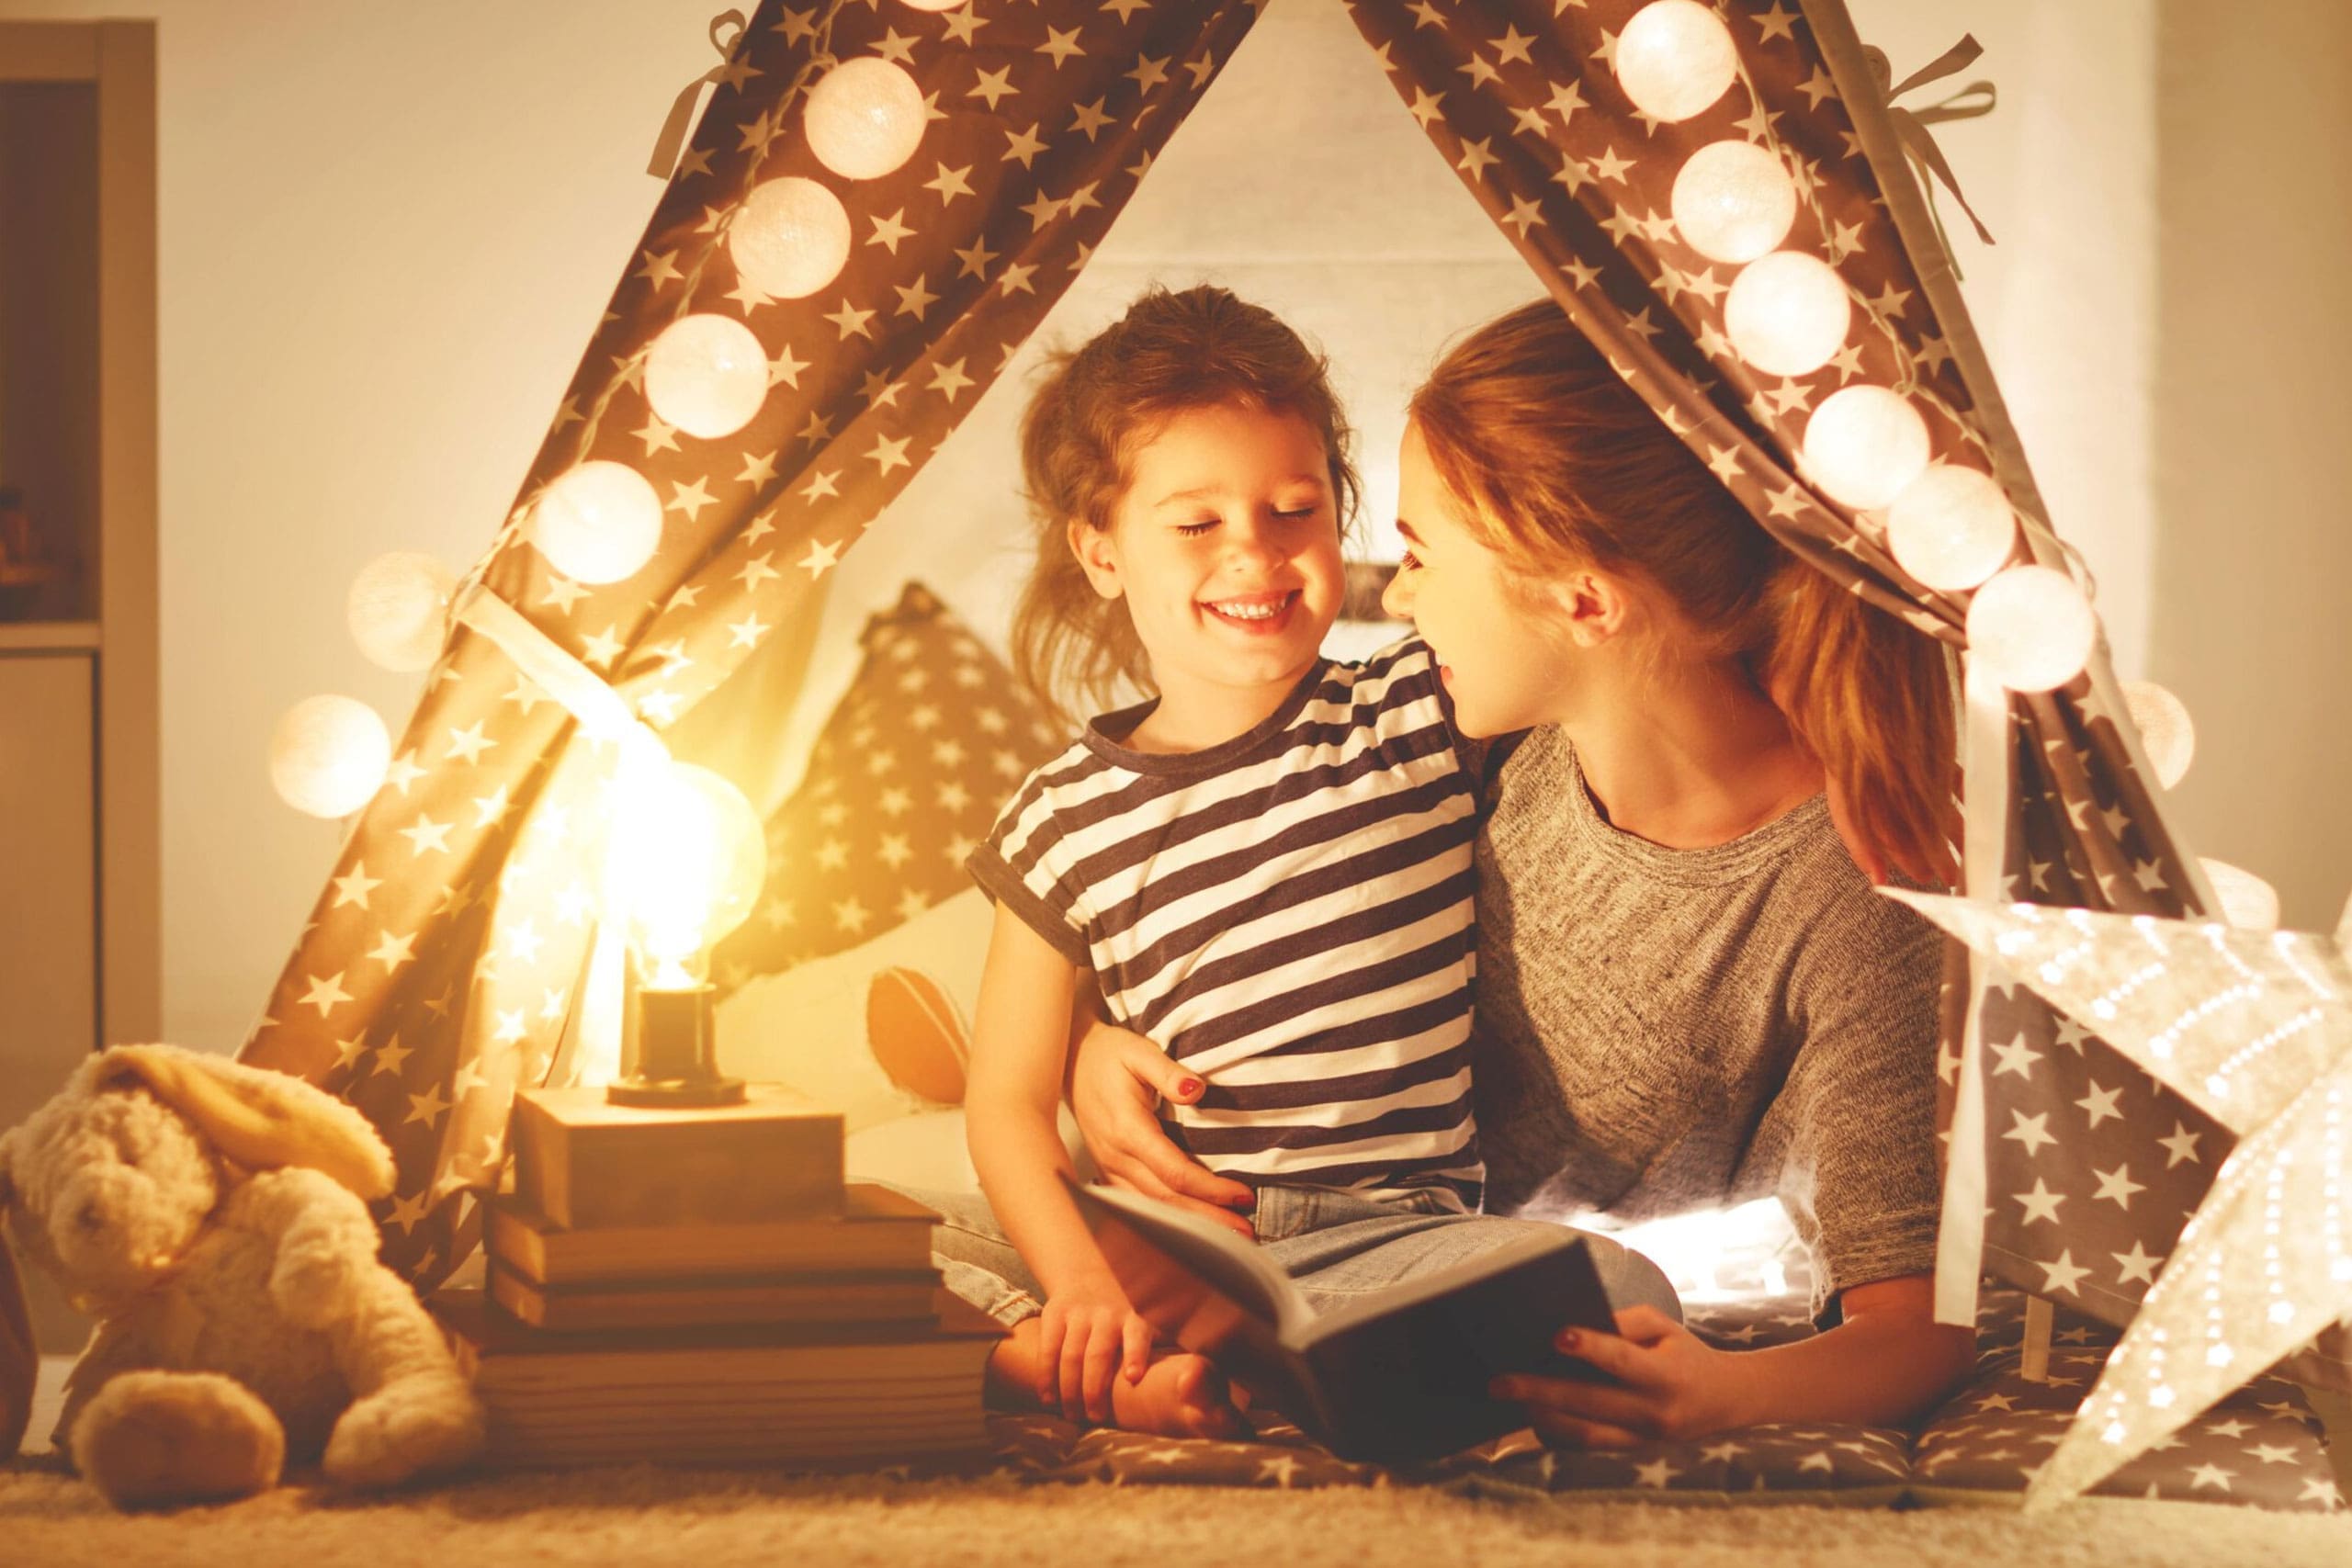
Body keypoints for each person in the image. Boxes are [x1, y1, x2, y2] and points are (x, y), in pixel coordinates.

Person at [1067, 297, 1978, 1449]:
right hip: (1300, 1201)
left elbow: (1922, 1328)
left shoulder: (1854, 894)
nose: (1391, 602)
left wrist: (1723, 1397)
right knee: (930, 1236)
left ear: (1583, 604)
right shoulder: (1487, 734)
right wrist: (1088, 1042)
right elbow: (1253, 880)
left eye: (1419, 557)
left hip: (1481, 1271)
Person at [933, 286, 1679, 1440]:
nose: (1257, 555)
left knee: (1617, 1292)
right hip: (1182, 1240)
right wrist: (1080, 1277)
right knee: (891, 1238)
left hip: (1402, 1230)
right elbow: (1008, 1104)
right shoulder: (1057, 817)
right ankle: (1092, 1352)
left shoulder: (1420, 709)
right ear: (1099, 549)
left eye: (1295, 508)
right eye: (1196, 525)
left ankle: (1213, 1375)